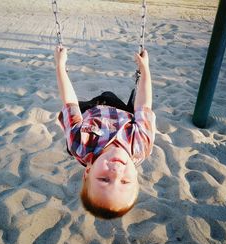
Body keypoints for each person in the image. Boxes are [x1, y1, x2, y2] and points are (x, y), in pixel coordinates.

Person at [55, 45, 156, 219]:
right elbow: (144, 105)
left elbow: (69, 102)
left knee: (73, 123)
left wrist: (60, 65)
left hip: (92, 114)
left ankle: (80, 146)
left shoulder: (81, 143)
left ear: (88, 171)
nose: (116, 172)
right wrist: (145, 68)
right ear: (136, 176)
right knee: (126, 104)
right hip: (123, 114)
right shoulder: (140, 145)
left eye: (104, 179)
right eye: (125, 181)